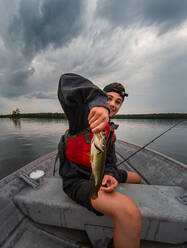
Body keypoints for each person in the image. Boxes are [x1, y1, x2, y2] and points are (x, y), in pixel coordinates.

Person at [57, 73, 142, 248]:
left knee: (137, 178)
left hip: (100, 174)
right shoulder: (81, 116)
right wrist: (98, 103)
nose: (112, 104)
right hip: (77, 180)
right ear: (102, 98)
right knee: (129, 212)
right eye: (109, 98)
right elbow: (65, 81)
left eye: (118, 102)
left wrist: (110, 174)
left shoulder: (110, 131)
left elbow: (110, 162)